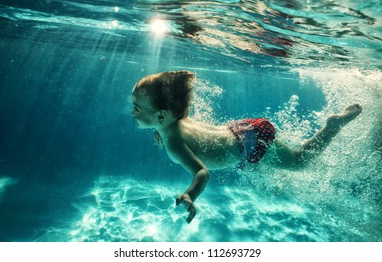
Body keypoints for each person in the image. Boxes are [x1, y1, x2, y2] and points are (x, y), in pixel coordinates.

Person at [130, 70, 362, 223]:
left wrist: (190, 195)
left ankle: (333, 126)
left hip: (248, 144)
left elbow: (203, 172)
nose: (132, 112)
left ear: (161, 116)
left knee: (300, 162)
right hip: (243, 130)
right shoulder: (178, 120)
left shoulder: (173, 142)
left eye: (137, 108)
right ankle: (271, 172)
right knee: (258, 170)